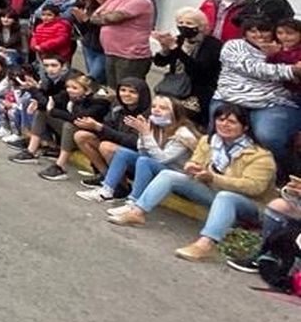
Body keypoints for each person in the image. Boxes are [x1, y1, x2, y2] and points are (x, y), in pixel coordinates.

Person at [106, 104, 277, 261]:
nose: (224, 124)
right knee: (169, 175)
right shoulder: (209, 141)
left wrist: (213, 178)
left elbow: (254, 187)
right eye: (221, 119)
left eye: (232, 122)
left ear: (245, 127)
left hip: (249, 205)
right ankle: (137, 212)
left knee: (225, 196)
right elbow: (196, 161)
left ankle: (205, 244)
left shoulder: (260, 156)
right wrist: (192, 167)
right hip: (211, 192)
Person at [76, 93, 197, 203]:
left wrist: (146, 134)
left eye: (163, 108)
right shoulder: (157, 126)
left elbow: (161, 159)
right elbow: (143, 152)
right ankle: (106, 191)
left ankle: (133, 201)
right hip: (157, 167)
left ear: (175, 113)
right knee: (122, 153)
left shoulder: (183, 133)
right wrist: (142, 134)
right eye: (154, 107)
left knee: (144, 161)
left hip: (176, 175)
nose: (156, 111)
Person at [210, 17, 301, 160]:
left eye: (264, 30)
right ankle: (219, 167)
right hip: (231, 97)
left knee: (268, 136)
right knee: (218, 130)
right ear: (244, 33)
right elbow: (252, 68)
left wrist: (279, 56)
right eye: (252, 31)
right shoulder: (234, 46)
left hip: (272, 101)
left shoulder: (283, 47)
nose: (259, 35)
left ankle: (282, 171)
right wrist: (291, 71)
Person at [150, 8, 222, 123]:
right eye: (181, 23)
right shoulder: (179, 40)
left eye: (189, 23)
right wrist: (164, 48)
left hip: (198, 91)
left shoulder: (212, 45)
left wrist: (175, 49)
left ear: (201, 26)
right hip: (174, 86)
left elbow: (199, 70)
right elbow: (160, 62)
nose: (184, 26)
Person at [88, 0, 154, 85]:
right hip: (111, 53)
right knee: (113, 91)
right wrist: (108, 17)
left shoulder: (141, 1)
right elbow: (93, 18)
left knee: (128, 91)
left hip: (131, 56)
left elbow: (114, 18)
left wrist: (106, 16)